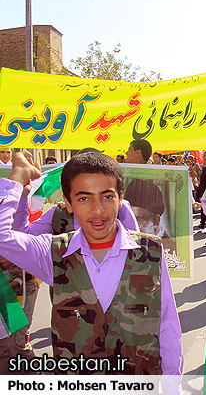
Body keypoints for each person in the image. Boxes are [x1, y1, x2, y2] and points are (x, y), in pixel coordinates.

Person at [0, 151, 183, 379]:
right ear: (67, 202)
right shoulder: (53, 253)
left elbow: (166, 323)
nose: (98, 210)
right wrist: (18, 179)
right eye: (84, 198)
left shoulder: (149, 250)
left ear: (120, 197)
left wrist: (173, 383)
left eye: (107, 196)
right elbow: (5, 238)